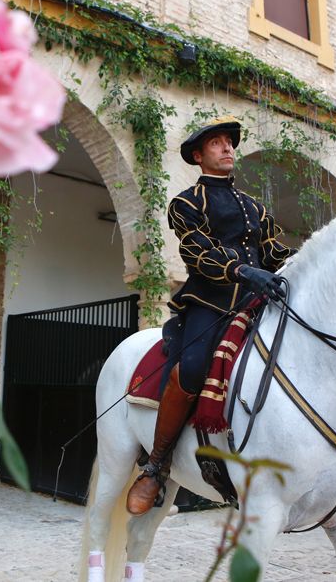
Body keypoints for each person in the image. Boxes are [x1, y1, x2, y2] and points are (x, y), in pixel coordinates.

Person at [125, 116, 294, 516]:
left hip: (258, 302)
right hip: (211, 303)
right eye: (217, 144)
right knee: (195, 365)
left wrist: (303, 267)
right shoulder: (186, 203)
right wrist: (243, 270)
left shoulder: (255, 207)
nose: (227, 149)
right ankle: (156, 464)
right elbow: (197, 253)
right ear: (199, 156)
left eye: (230, 143)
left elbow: (277, 254)